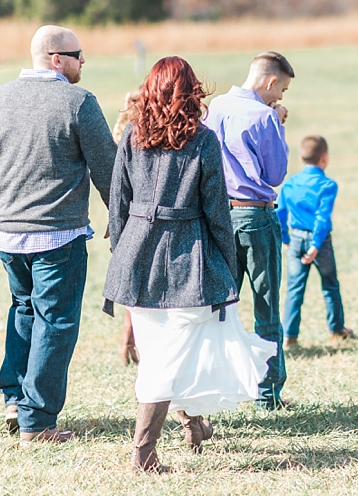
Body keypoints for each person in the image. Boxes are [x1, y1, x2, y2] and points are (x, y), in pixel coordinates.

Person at [103, 56, 275, 472]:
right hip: (187, 257)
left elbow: (117, 204)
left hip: (138, 256)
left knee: (166, 353)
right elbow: (216, 210)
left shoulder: (132, 136)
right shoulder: (202, 140)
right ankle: (144, 455)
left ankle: (193, 421)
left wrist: (123, 254)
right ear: (189, 91)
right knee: (165, 358)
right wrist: (225, 259)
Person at [0, 25, 116, 445]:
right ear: (56, 58)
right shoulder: (79, 101)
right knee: (55, 322)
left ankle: (15, 399)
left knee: (24, 311)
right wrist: (119, 214)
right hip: (58, 234)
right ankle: (37, 422)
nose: (83, 61)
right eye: (78, 54)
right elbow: (107, 167)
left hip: (10, 234)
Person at [203, 51, 293, 410]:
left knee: (220, 309)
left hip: (220, 216)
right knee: (266, 309)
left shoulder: (215, 108)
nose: (281, 98)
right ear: (270, 81)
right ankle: (267, 394)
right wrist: (279, 123)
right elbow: (274, 175)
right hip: (256, 216)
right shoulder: (264, 116)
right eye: (281, 90)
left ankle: (215, 387)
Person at [277, 135, 353, 347]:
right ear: (324, 159)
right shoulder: (328, 185)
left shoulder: (290, 184)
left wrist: (285, 237)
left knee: (294, 289)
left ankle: (290, 336)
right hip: (320, 243)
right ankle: (337, 329)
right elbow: (322, 217)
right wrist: (316, 245)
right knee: (330, 285)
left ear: (301, 158)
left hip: (295, 239)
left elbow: (280, 212)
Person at [112, 88, 141, 366]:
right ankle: (129, 341)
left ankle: (127, 341)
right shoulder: (137, 133)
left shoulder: (122, 131)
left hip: (127, 215)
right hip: (138, 216)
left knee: (133, 283)